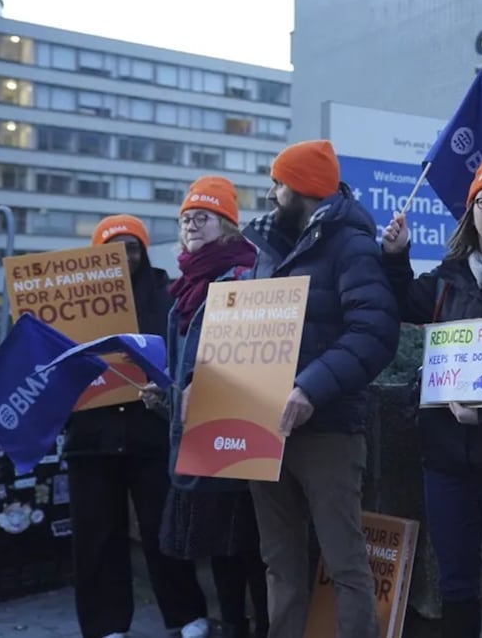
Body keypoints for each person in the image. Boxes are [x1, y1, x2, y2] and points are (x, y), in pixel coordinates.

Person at [381, 158, 482, 638]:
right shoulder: (444, 279)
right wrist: (395, 256)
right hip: (444, 454)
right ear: (471, 210)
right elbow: (397, 303)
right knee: (454, 580)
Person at [240, 139, 400, 638]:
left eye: (278, 183)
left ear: (303, 188)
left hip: (327, 430)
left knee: (345, 564)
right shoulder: (268, 253)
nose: (271, 194)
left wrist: (309, 389)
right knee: (279, 565)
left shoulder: (352, 246)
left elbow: (374, 333)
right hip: (266, 431)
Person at [66, 214, 209, 638]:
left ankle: (185, 615)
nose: (124, 257)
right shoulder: (73, 301)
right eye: (113, 248)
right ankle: (105, 625)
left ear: (144, 251)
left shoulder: (168, 294)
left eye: (132, 247)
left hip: (150, 432)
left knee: (164, 530)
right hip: (90, 437)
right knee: (95, 538)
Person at [141, 177, 269, 638]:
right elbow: (186, 371)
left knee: (248, 546)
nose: (192, 226)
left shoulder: (243, 275)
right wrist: (166, 397)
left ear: (228, 225)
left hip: (236, 431)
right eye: (186, 219)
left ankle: (257, 627)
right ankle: (233, 626)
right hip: (200, 433)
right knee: (221, 546)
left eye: (203, 217)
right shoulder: (186, 287)